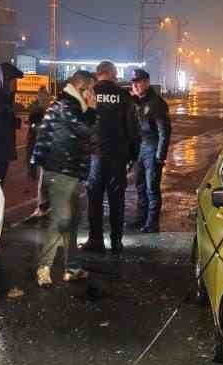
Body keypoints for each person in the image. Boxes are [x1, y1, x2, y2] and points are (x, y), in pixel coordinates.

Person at [30, 70, 96, 285]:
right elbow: (87, 132)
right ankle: (44, 267)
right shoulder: (68, 107)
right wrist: (93, 110)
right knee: (62, 221)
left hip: (68, 171)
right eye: (91, 89)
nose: (93, 93)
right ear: (82, 88)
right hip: (62, 172)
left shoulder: (66, 104)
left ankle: (72, 267)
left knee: (72, 221)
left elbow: (44, 137)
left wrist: (36, 162)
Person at [85, 60, 140, 254]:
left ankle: (95, 240)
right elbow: (133, 128)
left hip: (95, 156)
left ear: (98, 73)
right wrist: (133, 155)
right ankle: (116, 241)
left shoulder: (89, 94)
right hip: (118, 156)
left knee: (94, 198)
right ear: (112, 73)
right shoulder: (124, 96)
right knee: (117, 199)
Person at [128, 67, 170, 233]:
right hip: (139, 149)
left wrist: (160, 156)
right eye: (134, 83)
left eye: (139, 82)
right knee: (140, 186)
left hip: (152, 149)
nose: (136, 86)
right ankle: (141, 218)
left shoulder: (156, 103)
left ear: (147, 82)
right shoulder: (137, 102)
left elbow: (164, 132)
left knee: (151, 187)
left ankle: (152, 223)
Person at [24, 88, 51, 222]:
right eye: (44, 98)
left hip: (45, 148)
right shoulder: (38, 110)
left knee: (45, 177)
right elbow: (33, 131)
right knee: (43, 177)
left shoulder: (46, 110)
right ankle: (42, 205)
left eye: (47, 98)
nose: (46, 100)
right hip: (40, 147)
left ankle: (44, 205)